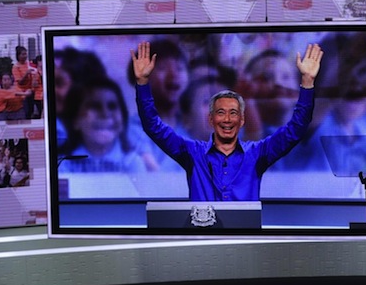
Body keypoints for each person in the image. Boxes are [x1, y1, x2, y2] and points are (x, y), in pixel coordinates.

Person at [131, 40, 323, 201]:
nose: (227, 119)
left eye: (233, 113)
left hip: (245, 234)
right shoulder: (193, 153)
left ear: (242, 120)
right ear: (211, 119)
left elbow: (296, 129)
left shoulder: (257, 154)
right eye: (221, 112)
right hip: (203, 234)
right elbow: (153, 126)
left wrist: (307, 81)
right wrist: (142, 82)